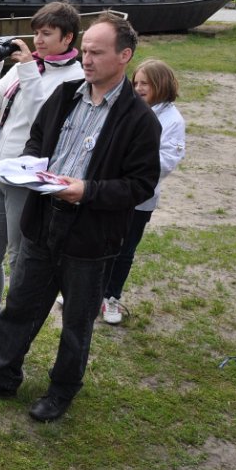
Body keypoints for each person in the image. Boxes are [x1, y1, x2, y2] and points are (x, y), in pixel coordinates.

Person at [0, 13, 161, 422]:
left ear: (124, 56)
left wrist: (88, 190)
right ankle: (2, 375)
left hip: (91, 234)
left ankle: (62, 390)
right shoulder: (65, 95)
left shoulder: (140, 119)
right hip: (43, 218)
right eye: (86, 51)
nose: (87, 59)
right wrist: (31, 166)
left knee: (77, 321)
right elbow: (37, 137)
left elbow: (140, 185)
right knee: (20, 305)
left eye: (97, 53)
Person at [0, 2, 84, 346]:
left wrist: (27, 68)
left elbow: (46, 117)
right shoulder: (31, 65)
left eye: (47, 34)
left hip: (26, 177)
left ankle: (10, 333)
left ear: (68, 38)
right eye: (36, 32)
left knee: (19, 258)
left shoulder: (73, 77)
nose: (38, 40)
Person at [101, 59, 185, 325]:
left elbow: (166, 162)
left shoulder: (172, 120)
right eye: (135, 82)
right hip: (111, 192)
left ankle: (111, 296)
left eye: (145, 83)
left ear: (162, 84)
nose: (138, 88)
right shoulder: (127, 108)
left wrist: (127, 160)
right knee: (100, 243)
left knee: (124, 250)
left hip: (139, 200)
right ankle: (89, 292)